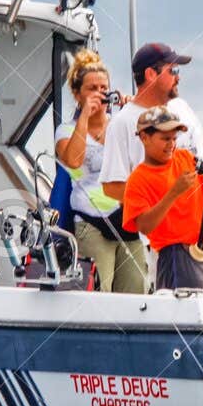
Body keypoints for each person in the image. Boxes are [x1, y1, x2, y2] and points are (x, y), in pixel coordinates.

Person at [54, 49, 146, 293]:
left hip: (126, 219)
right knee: (98, 292)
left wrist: (134, 115)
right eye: (91, 89)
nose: (99, 94)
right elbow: (73, 160)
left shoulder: (122, 125)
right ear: (77, 93)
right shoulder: (65, 131)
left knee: (136, 290)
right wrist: (85, 114)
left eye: (103, 88)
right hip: (90, 222)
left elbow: (148, 158)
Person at [121, 106, 203, 291]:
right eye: (165, 139)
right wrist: (174, 193)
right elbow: (144, 226)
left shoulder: (186, 158)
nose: (171, 144)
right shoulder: (137, 179)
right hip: (176, 257)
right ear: (144, 137)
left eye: (174, 138)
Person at [99, 42, 203, 206]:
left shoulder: (183, 107)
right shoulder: (121, 123)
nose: (178, 77)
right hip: (164, 229)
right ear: (151, 74)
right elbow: (111, 187)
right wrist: (167, 199)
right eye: (173, 71)